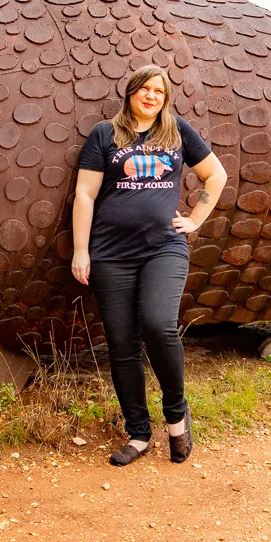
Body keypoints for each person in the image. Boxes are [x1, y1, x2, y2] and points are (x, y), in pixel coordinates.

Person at [72, 64, 228, 466]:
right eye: (144, 89)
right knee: (121, 345)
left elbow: (216, 176)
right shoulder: (105, 134)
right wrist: (80, 250)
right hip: (110, 253)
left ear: (165, 98)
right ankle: (138, 434)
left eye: (158, 91)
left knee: (158, 324)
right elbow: (85, 195)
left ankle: (176, 414)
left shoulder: (176, 132)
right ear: (130, 93)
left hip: (164, 248)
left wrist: (194, 220)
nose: (151, 96)